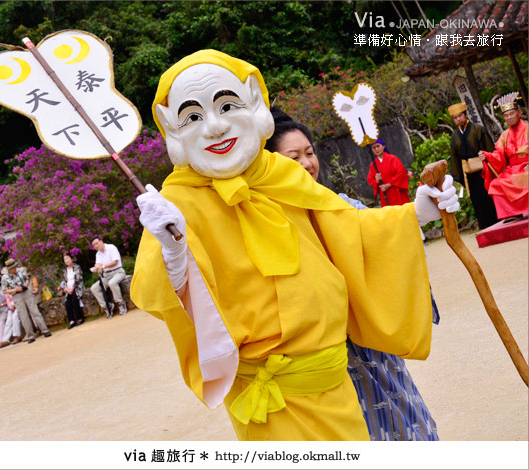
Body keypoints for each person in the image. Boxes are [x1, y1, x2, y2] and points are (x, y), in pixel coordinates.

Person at [130, 49, 459, 441]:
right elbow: (158, 296)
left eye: (227, 105)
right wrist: (173, 254)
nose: (215, 127)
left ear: (254, 101)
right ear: (173, 130)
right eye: (193, 117)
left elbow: (347, 227)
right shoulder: (177, 205)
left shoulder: (283, 174)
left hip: (333, 383)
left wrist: (415, 213)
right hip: (269, 398)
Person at [265, 107, 439, 440]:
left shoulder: (337, 204)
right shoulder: (267, 222)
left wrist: (414, 214)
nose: (306, 163)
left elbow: (374, 231)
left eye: (309, 153)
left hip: (368, 345)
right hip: (320, 359)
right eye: (293, 157)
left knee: (408, 426)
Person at [478, 92, 529, 221]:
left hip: (527, 166)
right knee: (496, 183)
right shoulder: (504, 136)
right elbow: (498, 154)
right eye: (506, 115)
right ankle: (512, 212)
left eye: (511, 113)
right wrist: (487, 156)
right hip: (513, 169)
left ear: (519, 113)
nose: (509, 117)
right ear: (504, 118)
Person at [448, 102, 498, 229]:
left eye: (460, 116)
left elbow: (489, 149)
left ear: (465, 115)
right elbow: (454, 157)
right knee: (476, 200)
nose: (458, 119)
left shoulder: (478, 129)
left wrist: (487, 157)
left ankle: (497, 224)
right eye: (455, 117)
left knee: (488, 196)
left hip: (483, 170)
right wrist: (457, 177)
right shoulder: (455, 136)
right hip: (468, 174)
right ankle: (485, 227)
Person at [1, 258, 51, 343]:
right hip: (16, 296)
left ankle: (45, 330)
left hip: (26, 292)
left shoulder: (21, 270)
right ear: (9, 269)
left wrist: (25, 285)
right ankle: (31, 335)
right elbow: (4, 290)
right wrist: (15, 290)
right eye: (13, 268)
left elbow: (27, 279)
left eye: (15, 266)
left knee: (35, 311)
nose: (15, 268)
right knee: (23, 316)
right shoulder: (4, 277)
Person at [366, 138, 410, 207]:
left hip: (396, 190)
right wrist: (377, 180)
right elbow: (370, 179)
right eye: (374, 147)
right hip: (384, 194)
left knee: (402, 211)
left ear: (383, 146)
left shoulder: (393, 158)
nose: (376, 149)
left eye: (378, 146)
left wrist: (389, 184)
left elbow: (400, 172)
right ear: (372, 150)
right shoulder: (373, 165)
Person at [89, 236, 127, 317]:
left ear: (101, 241)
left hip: (118, 272)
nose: (96, 246)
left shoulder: (111, 247)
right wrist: (96, 267)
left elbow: (115, 262)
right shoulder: (98, 254)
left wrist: (102, 267)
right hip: (106, 275)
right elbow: (98, 263)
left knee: (112, 283)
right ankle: (107, 306)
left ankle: (121, 303)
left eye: (97, 243)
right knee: (94, 288)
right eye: (94, 245)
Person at [60, 252, 85, 329]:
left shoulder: (77, 267)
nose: (66, 260)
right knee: (67, 302)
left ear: (71, 258)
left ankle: (80, 318)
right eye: (65, 259)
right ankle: (72, 321)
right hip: (68, 289)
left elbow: (78, 279)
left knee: (74, 299)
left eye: (67, 258)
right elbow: (64, 281)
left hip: (77, 287)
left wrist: (72, 288)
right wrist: (67, 289)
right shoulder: (65, 270)